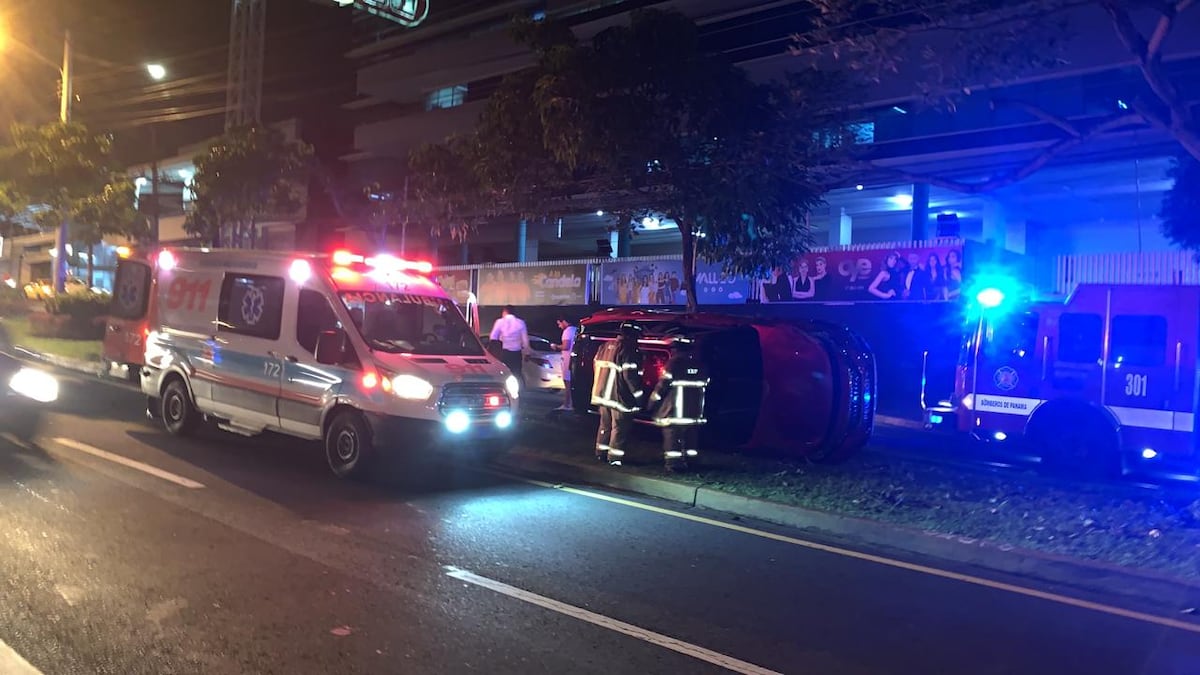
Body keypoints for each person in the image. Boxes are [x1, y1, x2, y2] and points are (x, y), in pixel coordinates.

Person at [648, 335, 709, 471]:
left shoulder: (674, 363)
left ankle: (674, 465)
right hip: (694, 412)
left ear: (677, 349)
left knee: (672, 439)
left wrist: (651, 403)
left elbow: (662, 386)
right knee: (691, 439)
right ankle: (691, 462)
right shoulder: (700, 364)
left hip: (674, 412)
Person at [591, 322, 645, 465]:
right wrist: (639, 398)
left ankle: (600, 453)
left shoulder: (604, 346)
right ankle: (614, 459)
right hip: (618, 397)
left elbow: (595, 365)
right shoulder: (629, 350)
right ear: (632, 335)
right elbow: (631, 377)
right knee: (619, 428)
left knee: (604, 425)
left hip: (602, 394)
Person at [489, 305, 529, 389]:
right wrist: (527, 353)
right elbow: (525, 340)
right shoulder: (521, 322)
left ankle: (504, 390)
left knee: (504, 373)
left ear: (504, 312)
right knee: (516, 373)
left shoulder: (500, 322)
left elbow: (493, 337)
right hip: (516, 353)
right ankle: (516, 392)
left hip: (504, 352)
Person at [552, 316, 577, 411]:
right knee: (571, 383)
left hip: (567, 360)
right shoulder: (576, 329)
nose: (559, 326)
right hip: (573, 360)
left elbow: (566, 346)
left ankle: (567, 404)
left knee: (567, 383)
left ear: (564, 321)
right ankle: (571, 403)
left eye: (559, 323)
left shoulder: (567, 331)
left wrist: (556, 346)